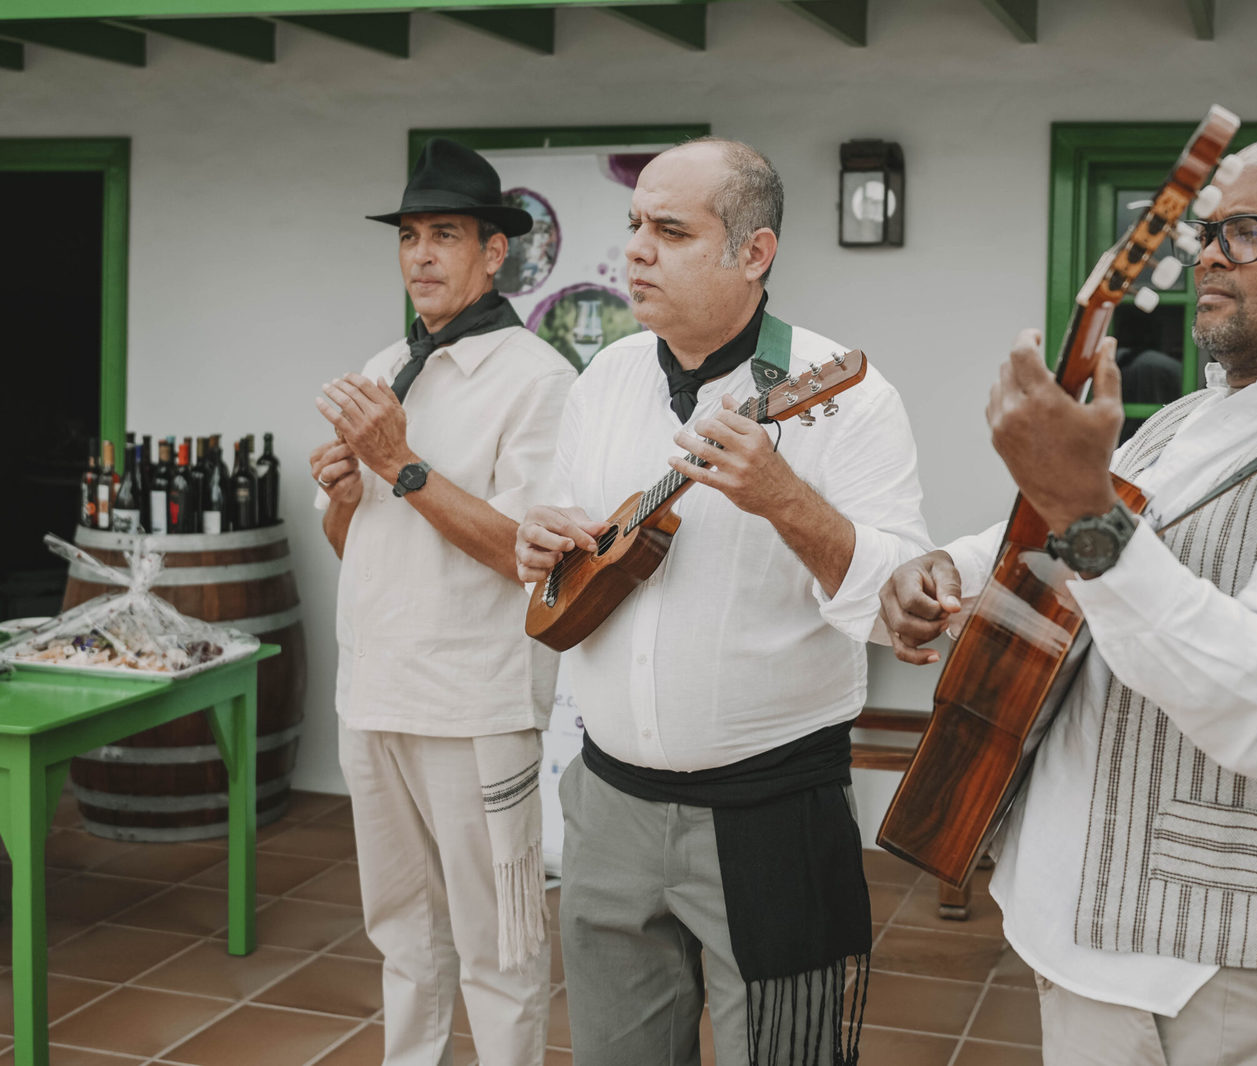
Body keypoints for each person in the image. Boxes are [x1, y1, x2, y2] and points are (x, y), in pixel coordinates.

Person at [879, 138, 1257, 1066]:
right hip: (1072, 913)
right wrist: (944, 568)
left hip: (1220, 966)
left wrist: (1084, 509)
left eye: (1249, 233)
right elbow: (1069, 542)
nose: (1209, 257)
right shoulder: (1180, 421)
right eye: (1207, 233)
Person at [513, 137, 930, 1066]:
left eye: (670, 231)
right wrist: (541, 541)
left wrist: (785, 499)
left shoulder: (847, 396)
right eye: (634, 226)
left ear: (755, 252)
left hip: (772, 811)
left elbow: (897, 606)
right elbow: (568, 534)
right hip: (608, 804)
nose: (637, 251)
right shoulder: (605, 379)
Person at [309, 137, 575, 1066]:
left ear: (494, 252)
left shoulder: (540, 380)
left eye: (446, 235)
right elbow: (350, 545)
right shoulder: (385, 364)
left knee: (500, 947)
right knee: (401, 936)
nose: (421, 255)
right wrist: (347, 493)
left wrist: (400, 465)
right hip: (372, 693)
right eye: (409, 236)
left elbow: (527, 559)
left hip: (472, 704)